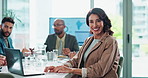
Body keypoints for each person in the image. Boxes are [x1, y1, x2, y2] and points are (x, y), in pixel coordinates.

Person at [44, 8, 120, 78]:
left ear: (104, 22)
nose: (94, 25)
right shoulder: (89, 40)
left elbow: (99, 71)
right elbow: (76, 60)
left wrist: (71, 70)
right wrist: (60, 67)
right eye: (91, 22)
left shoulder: (110, 41)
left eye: (98, 21)